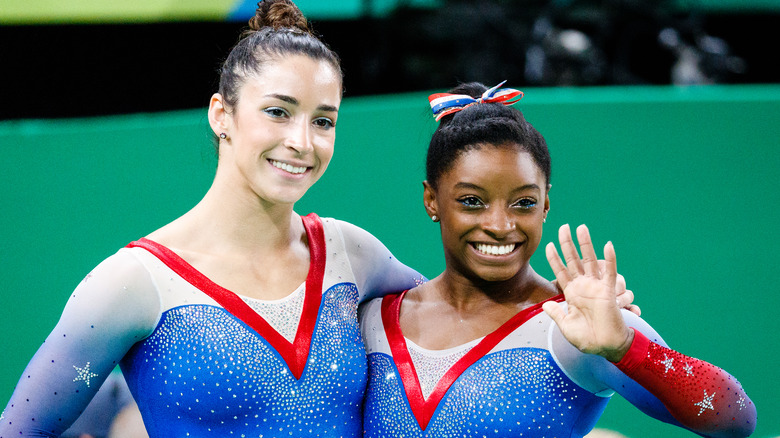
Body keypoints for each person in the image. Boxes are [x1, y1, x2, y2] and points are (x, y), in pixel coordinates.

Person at [0, 1, 426, 437]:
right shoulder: (131, 283)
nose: (302, 142)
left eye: (322, 121)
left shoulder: (352, 254)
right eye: (278, 112)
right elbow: (20, 428)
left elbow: (459, 317)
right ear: (222, 114)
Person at [359, 82, 757, 437]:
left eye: (524, 203)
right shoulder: (373, 320)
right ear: (432, 200)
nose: (500, 225)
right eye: (471, 201)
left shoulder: (575, 327)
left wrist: (624, 346)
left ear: (546, 204)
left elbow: (736, 418)